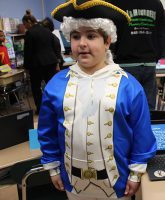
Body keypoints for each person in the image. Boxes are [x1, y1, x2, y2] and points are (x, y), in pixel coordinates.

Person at [38, 0, 157, 199]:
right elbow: (47, 130)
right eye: (76, 36)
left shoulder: (129, 86)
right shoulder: (56, 84)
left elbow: (141, 133)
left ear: (107, 41)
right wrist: (52, 166)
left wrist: (136, 173)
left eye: (91, 36)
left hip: (118, 183)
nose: (82, 43)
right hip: (72, 181)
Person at [109, 0, 165, 110]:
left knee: (125, 108)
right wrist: (155, 57)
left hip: (125, 62)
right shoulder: (156, 3)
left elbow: (110, 33)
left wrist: (114, 55)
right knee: (148, 109)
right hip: (149, 63)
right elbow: (162, 34)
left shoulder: (116, 2)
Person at [22, 12, 58, 114]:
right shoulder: (47, 30)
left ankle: (41, 109)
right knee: (51, 86)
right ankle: (55, 106)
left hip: (37, 65)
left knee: (36, 88)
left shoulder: (30, 33)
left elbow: (28, 51)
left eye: (25, 24)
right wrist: (57, 61)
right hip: (51, 62)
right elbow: (53, 46)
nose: (25, 27)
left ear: (29, 22)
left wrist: (26, 67)